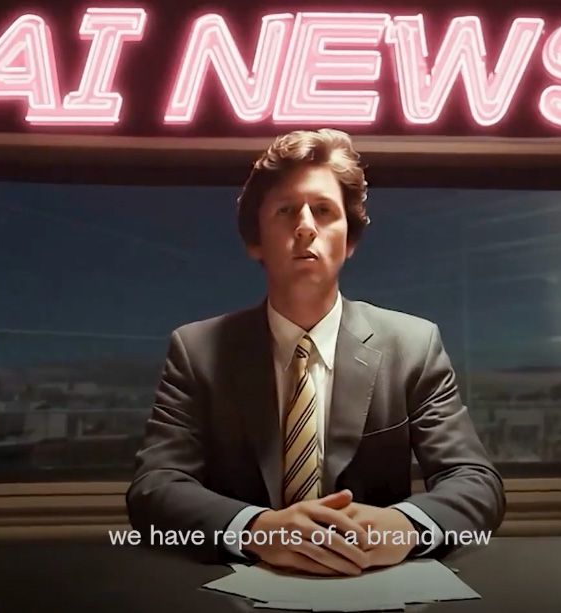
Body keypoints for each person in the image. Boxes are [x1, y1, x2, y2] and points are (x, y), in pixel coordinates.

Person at [125, 128, 504, 576]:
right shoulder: (198, 351)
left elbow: (477, 483)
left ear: (350, 241)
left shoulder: (412, 345)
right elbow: (154, 488)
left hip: (376, 584)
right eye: (286, 210)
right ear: (255, 240)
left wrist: (404, 527)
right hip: (241, 589)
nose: (306, 225)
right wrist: (257, 530)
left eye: (324, 211)